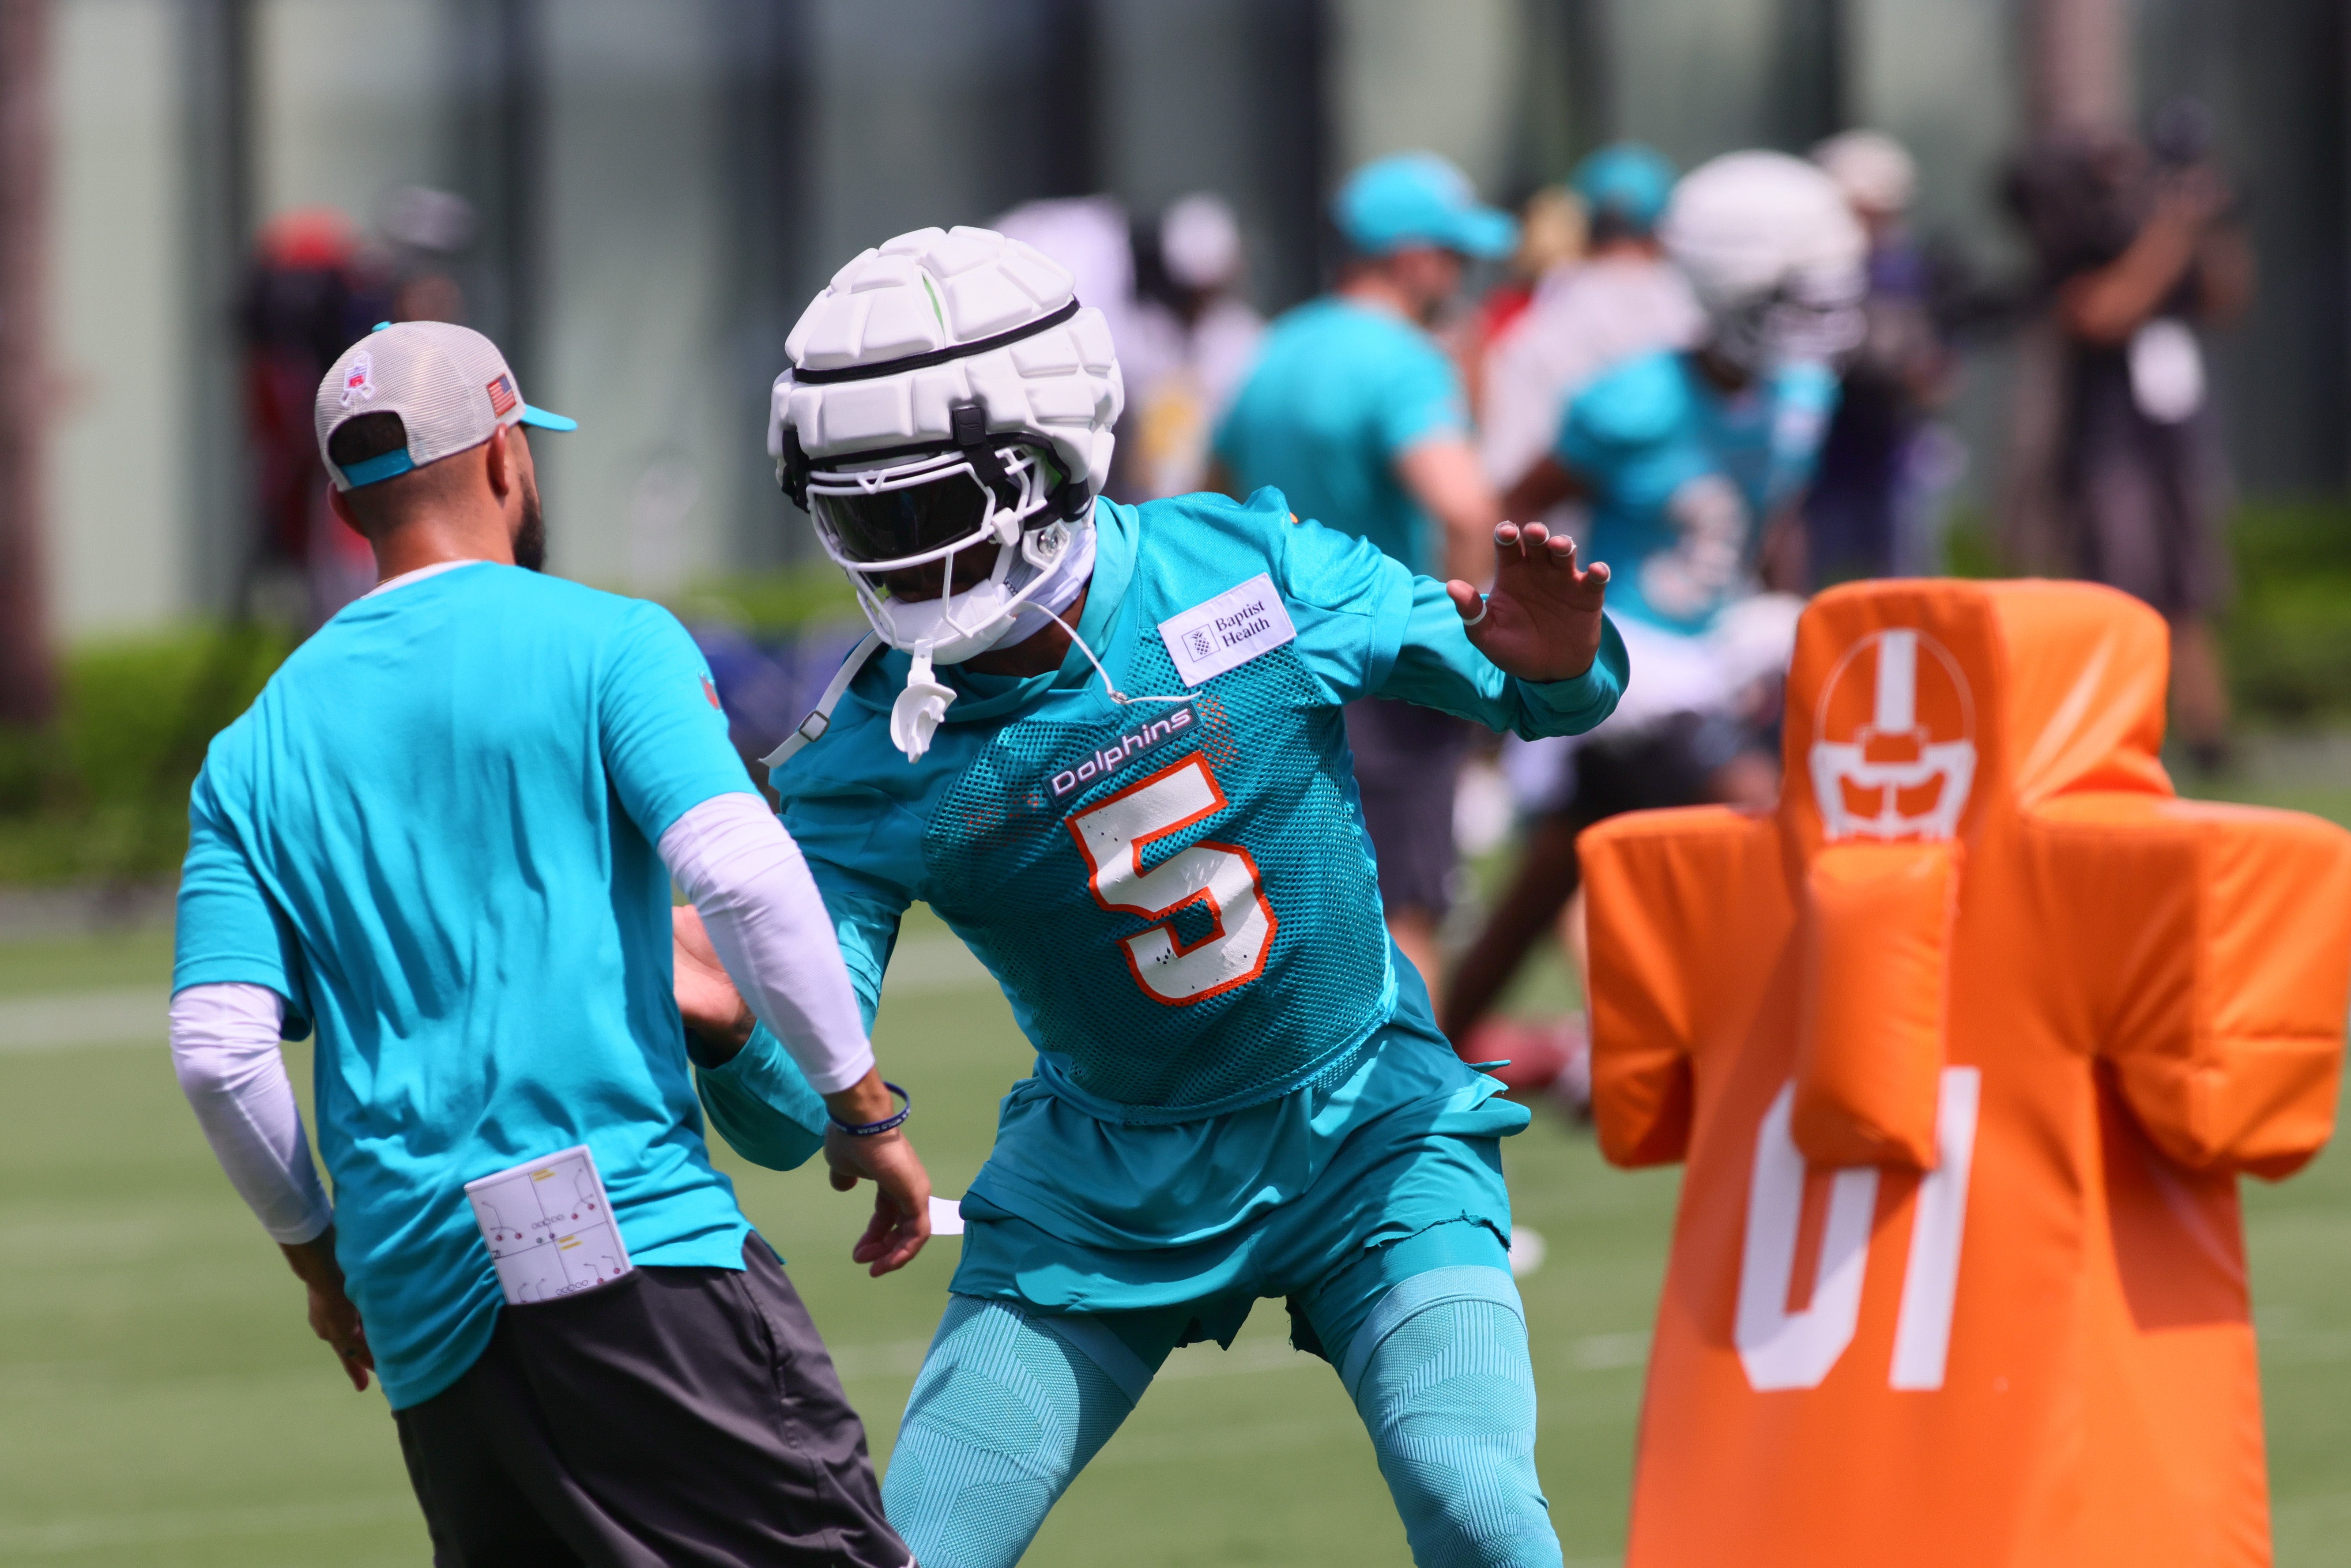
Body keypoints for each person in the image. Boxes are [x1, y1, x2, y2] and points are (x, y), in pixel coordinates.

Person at [719, 225, 1625, 1567]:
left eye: (928, 506)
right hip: (1101, 1187)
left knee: (1479, 1502)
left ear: (1050, 451)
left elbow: (1536, 689)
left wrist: (1560, 660)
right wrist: (712, 1007)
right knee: (906, 1550)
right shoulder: (864, 753)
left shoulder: (1245, 565)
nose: (901, 557)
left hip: (1364, 1126)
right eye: (864, 516)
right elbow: (794, 1110)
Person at [169, 320, 928, 1566]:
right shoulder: (608, 643)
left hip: (418, 1296)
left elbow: (217, 1054)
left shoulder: (251, 750)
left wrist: (320, 1258)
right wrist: (864, 1111)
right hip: (625, 1242)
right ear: (506, 454)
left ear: (345, 504)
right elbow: (739, 872)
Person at [1444, 151, 1865, 1072]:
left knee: (1543, 887)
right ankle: (1813, 1040)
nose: (1824, 319)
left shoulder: (1800, 393)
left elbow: (1762, 514)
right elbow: (1511, 513)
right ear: (1732, 287)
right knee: (1770, 823)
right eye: (1797, 294)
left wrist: (1767, 607)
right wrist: (1512, 652)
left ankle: (1428, 1051)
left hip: (1715, 650)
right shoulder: (1632, 401)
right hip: (1632, 670)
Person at [1213, 152, 1518, 1004]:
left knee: (1292, 909)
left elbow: (1198, 500)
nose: (1460, 278)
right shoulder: (1404, 361)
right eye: (1454, 256)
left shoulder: (1276, 349)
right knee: (1405, 907)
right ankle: (1399, 1120)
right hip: (1380, 666)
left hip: (1265, 665)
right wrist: (1467, 656)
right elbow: (1463, 509)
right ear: (1412, 257)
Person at [2004, 105, 2253, 773]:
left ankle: (2210, 738)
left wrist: (2213, 222)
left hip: (2169, 435)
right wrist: (2170, 230)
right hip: (2104, 442)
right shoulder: (2072, 246)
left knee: (2185, 588)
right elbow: (2109, 311)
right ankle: (2104, 736)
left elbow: (2227, 299)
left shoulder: (2159, 236)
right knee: (2115, 587)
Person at [1477, 143, 1701, 522]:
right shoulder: (1698, 320)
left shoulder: (1539, 332)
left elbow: (1505, 472)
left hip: (1569, 563)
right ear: (1663, 228)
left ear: (1582, 225)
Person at [1803, 130, 1962, 585]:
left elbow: (1942, 376)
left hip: (1895, 459)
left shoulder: (1912, 273)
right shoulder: (1809, 273)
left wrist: (1917, 373)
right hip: (1820, 467)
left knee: (1907, 593)